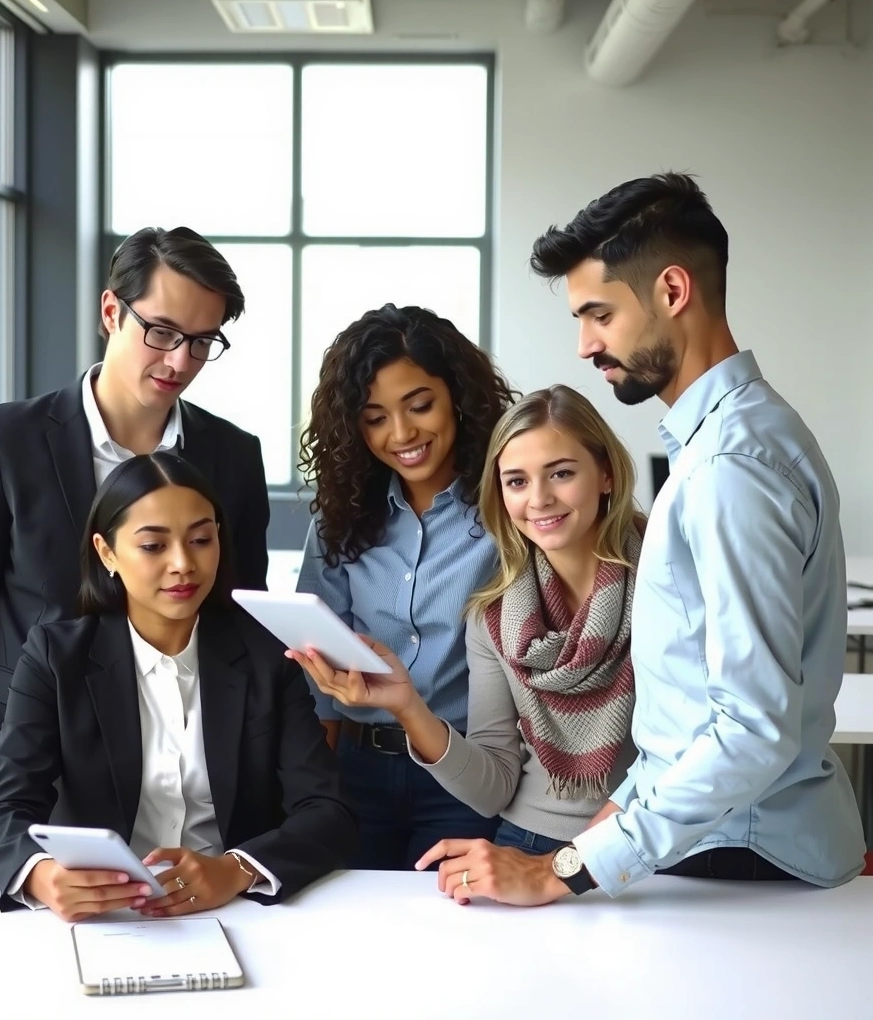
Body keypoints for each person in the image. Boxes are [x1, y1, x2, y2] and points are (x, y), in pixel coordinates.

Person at [417, 171, 865, 906]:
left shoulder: (729, 467)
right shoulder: (727, 442)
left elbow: (751, 728)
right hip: (712, 843)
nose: (585, 346)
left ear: (673, 292)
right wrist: (581, 846)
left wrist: (564, 870)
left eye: (598, 314)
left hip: (737, 857)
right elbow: (686, 731)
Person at [0, 226, 271, 863]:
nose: (179, 362)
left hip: (184, 770)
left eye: (202, 342)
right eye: (162, 332)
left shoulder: (232, 455)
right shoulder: (7, 440)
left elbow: (240, 615)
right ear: (112, 311)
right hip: (24, 771)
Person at [292, 386, 642, 903]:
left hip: (631, 848)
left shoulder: (662, 584)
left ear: (606, 474)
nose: (539, 498)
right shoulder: (494, 613)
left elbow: (681, 760)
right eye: (516, 481)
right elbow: (496, 785)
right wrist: (407, 705)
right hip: (521, 844)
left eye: (562, 473)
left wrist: (566, 865)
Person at [0, 453, 353, 918]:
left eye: (201, 539)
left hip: (237, 906)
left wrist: (236, 869)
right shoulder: (56, 656)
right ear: (106, 552)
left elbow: (325, 809)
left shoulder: (267, 656)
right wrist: (42, 875)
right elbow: (4, 808)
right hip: (102, 910)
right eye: (153, 546)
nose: (183, 564)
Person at [296, 303, 517, 869]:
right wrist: (313, 792)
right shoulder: (341, 517)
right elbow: (319, 666)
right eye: (374, 418)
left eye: (420, 406)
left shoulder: (509, 508)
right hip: (358, 771)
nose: (402, 434)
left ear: (459, 399)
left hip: (466, 771)